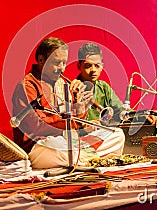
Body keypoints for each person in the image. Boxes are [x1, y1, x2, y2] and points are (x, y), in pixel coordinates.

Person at [12, 37, 125, 169]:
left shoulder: (65, 83)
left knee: (116, 134)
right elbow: (37, 126)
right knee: (57, 148)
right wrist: (74, 122)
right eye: (57, 63)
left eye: (64, 63)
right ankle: (89, 159)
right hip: (40, 145)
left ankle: (82, 159)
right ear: (41, 60)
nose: (62, 68)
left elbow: (76, 122)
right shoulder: (28, 86)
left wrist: (82, 107)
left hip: (68, 142)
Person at [76, 42, 157, 129]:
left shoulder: (103, 87)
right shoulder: (72, 89)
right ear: (79, 66)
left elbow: (120, 112)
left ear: (102, 66)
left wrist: (142, 116)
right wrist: (86, 126)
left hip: (103, 135)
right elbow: (70, 124)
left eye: (97, 65)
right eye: (88, 66)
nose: (93, 70)